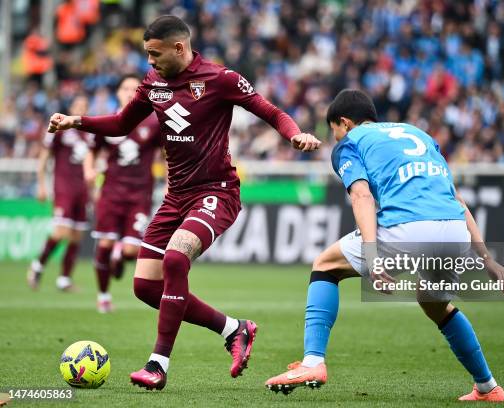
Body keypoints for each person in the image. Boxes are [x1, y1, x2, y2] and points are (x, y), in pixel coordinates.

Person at [47, 15, 321, 390]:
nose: (149, 62)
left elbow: (270, 111)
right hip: (176, 196)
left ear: (179, 47)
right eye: (146, 55)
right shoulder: (153, 84)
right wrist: (75, 121)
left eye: (154, 54)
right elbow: (121, 124)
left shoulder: (220, 79)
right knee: (145, 287)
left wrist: (295, 135)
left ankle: (157, 365)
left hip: (217, 192)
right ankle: (234, 329)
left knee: (175, 260)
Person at [265, 89, 504, 402]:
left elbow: (362, 196)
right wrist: (488, 259)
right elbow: (457, 199)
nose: (336, 137)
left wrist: (373, 256)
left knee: (325, 266)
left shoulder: (351, 143)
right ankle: (488, 387)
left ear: (345, 123)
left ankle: (312, 362)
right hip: (454, 232)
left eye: (335, 130)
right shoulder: (420, 135)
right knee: (434, 302)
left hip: (408, 229)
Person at [83, 73, 163, 313]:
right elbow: (92, 151)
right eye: (125, 88)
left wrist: (170, 182)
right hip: (111, 191)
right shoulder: (108, 122)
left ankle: (120, 253)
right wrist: (89, 171)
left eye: (134, 88)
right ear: (118, 93)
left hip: (140, 194)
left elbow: (167, 155)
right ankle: (103, 296)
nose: (129, 92)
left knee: (129, 250)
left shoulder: (152, 122)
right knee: (105, 244)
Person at [28, 94, 93, 291]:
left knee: (77, 235)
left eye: (84, 106)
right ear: (71, 108)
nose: (81, 109)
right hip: (63, 187)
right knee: (61, 232)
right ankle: (38, 265)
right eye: (78, 105)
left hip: (83, 190)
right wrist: (41, 185)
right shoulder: (59, 129)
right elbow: (44, 157)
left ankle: (64, 280)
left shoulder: (89, 133)